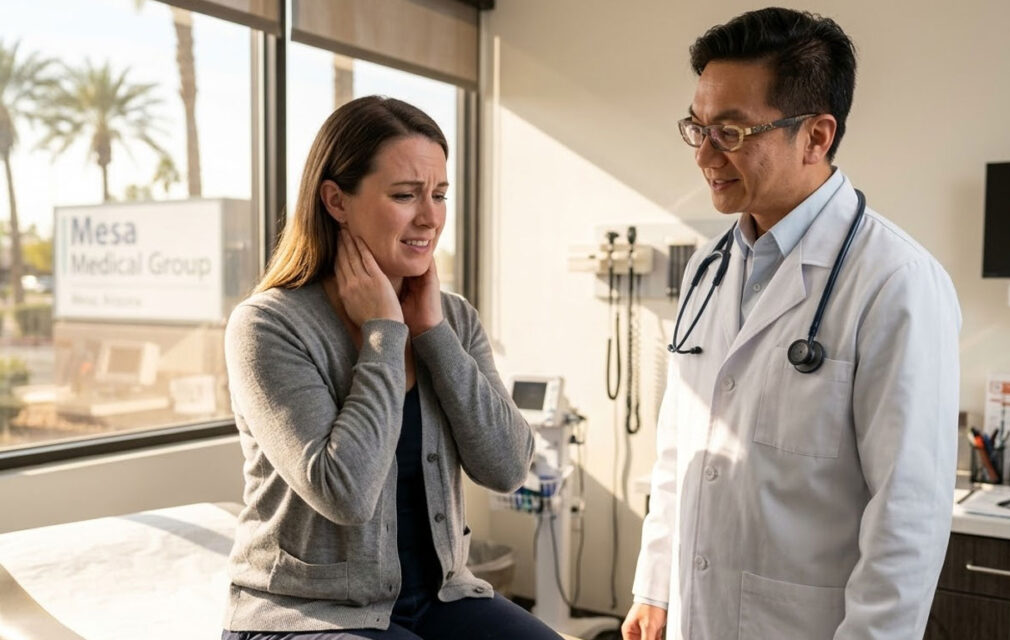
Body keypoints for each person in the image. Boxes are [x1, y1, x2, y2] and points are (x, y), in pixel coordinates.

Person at [624, 8, 960, 640]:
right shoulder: (708, 267)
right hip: (696, 614)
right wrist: (656, 584)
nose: (704, 156)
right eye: (697, 128)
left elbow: (907, 514)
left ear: (816, 136)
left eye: (730, 131)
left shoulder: (895, 281)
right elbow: (681, 447)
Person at [221, 96, 561, 640]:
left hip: (442, 598)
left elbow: (507, 468)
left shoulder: (452, 318)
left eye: (440, 194)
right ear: (336, 201)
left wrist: (434, 335)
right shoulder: (268, 326)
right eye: (405, 195)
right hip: (309, 612)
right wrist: (384, 335)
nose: (429, 217)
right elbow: (346, 494)